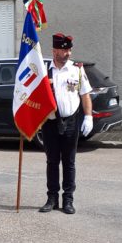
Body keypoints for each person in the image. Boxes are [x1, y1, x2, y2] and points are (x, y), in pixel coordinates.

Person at [39, 33, 94, 215]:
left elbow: (84, 94)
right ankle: (52, 199)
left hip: (70, 122)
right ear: (55, 51)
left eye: (69, 49)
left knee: (69, 162)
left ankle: (68, 200)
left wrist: (88, 116)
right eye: (64, 50)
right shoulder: (44, 70)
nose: (68, 53)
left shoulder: (76, 70)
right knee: (52, 162)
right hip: (50, 123)